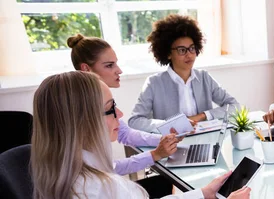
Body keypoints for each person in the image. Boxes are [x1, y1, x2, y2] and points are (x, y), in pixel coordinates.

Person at [30, 71, 250, 199]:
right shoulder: (101, 188)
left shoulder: (60, 172)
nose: (120, 114)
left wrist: (202, 194)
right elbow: (136, 124)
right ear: (80, 122)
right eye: (110, 109)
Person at [67, 34, 182, 197]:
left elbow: (125, 133)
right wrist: (155, 154)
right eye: (109, 65)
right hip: (106, 188)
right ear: (86, 69)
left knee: (163, 182)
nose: (118, 70)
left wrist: (164, 141)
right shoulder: (85, 115)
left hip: (109, 185)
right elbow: (110, 168)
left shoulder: (101, 103)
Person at [129, 14, 239, 132]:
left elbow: (234, 106)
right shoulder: (154, 83)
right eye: (182, 50)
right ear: (168, 54)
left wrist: (203, 116)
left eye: (192, 48)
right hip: (171, 146)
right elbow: (134, 121)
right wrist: (172, 125)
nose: (189, 54)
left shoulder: (204, 77)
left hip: (205, 143)